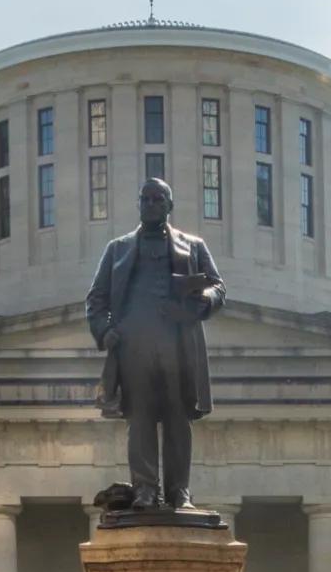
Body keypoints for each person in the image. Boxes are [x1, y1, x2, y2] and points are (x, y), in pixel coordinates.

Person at [83, 178, 225, 511]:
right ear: (138, 204)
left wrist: (200, 301)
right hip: (134, 347)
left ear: (169, 206)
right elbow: (96, 298)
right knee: (140, 418)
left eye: (157, 199)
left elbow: (219, 288)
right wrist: (105, 331)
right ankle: (145, 488)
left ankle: (179, 492)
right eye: (145, 199)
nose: (150, 204)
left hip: (178, 347)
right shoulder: (117, 250)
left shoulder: (194, 246)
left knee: (178, 418)